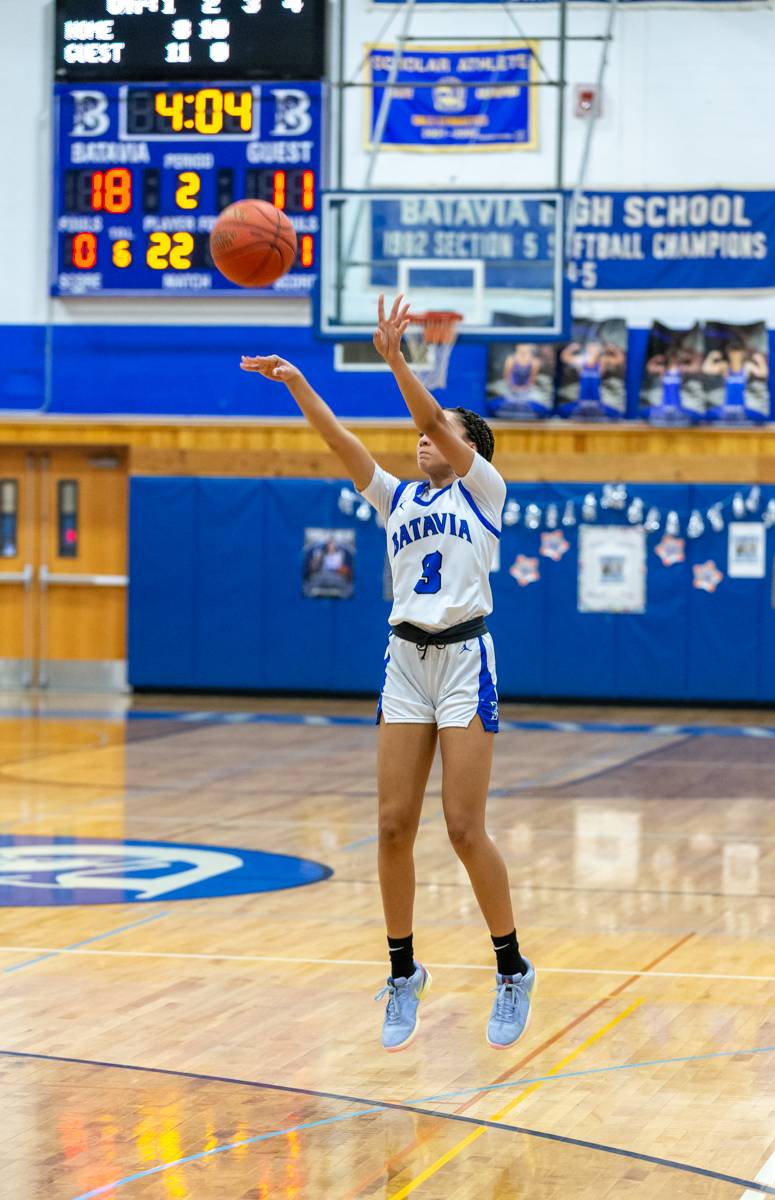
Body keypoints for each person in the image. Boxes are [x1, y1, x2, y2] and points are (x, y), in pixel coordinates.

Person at [241, 295, 535, 1053]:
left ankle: (511, 967)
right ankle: (403, 972)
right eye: (422, 436)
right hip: (404, 662)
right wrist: (299, 384)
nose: (424, 441)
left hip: (466, 660)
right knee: (391, 825)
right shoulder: (398, 497)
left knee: (464, 828)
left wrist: (398, 359)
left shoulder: (484, 494)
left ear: (471, 449)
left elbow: (435, 420)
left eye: (441, 434)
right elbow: (341, 442)